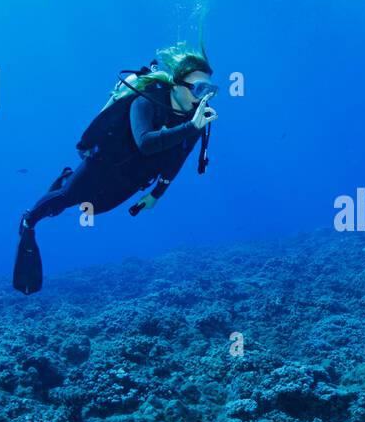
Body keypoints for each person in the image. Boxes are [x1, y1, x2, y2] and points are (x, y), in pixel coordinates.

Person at [12, 43, 219, 294]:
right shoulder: (146, 100)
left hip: (135, 176)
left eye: (210, 89)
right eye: (198, 88)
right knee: (68, 198)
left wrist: (156, 195)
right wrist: (191, 127)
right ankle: (29, 222)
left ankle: (68, 179)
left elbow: (179, 158)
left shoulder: (194, 119)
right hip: (104, 163)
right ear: (176, 84)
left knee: (95, 209)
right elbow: (145, 142)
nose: (203, 96)